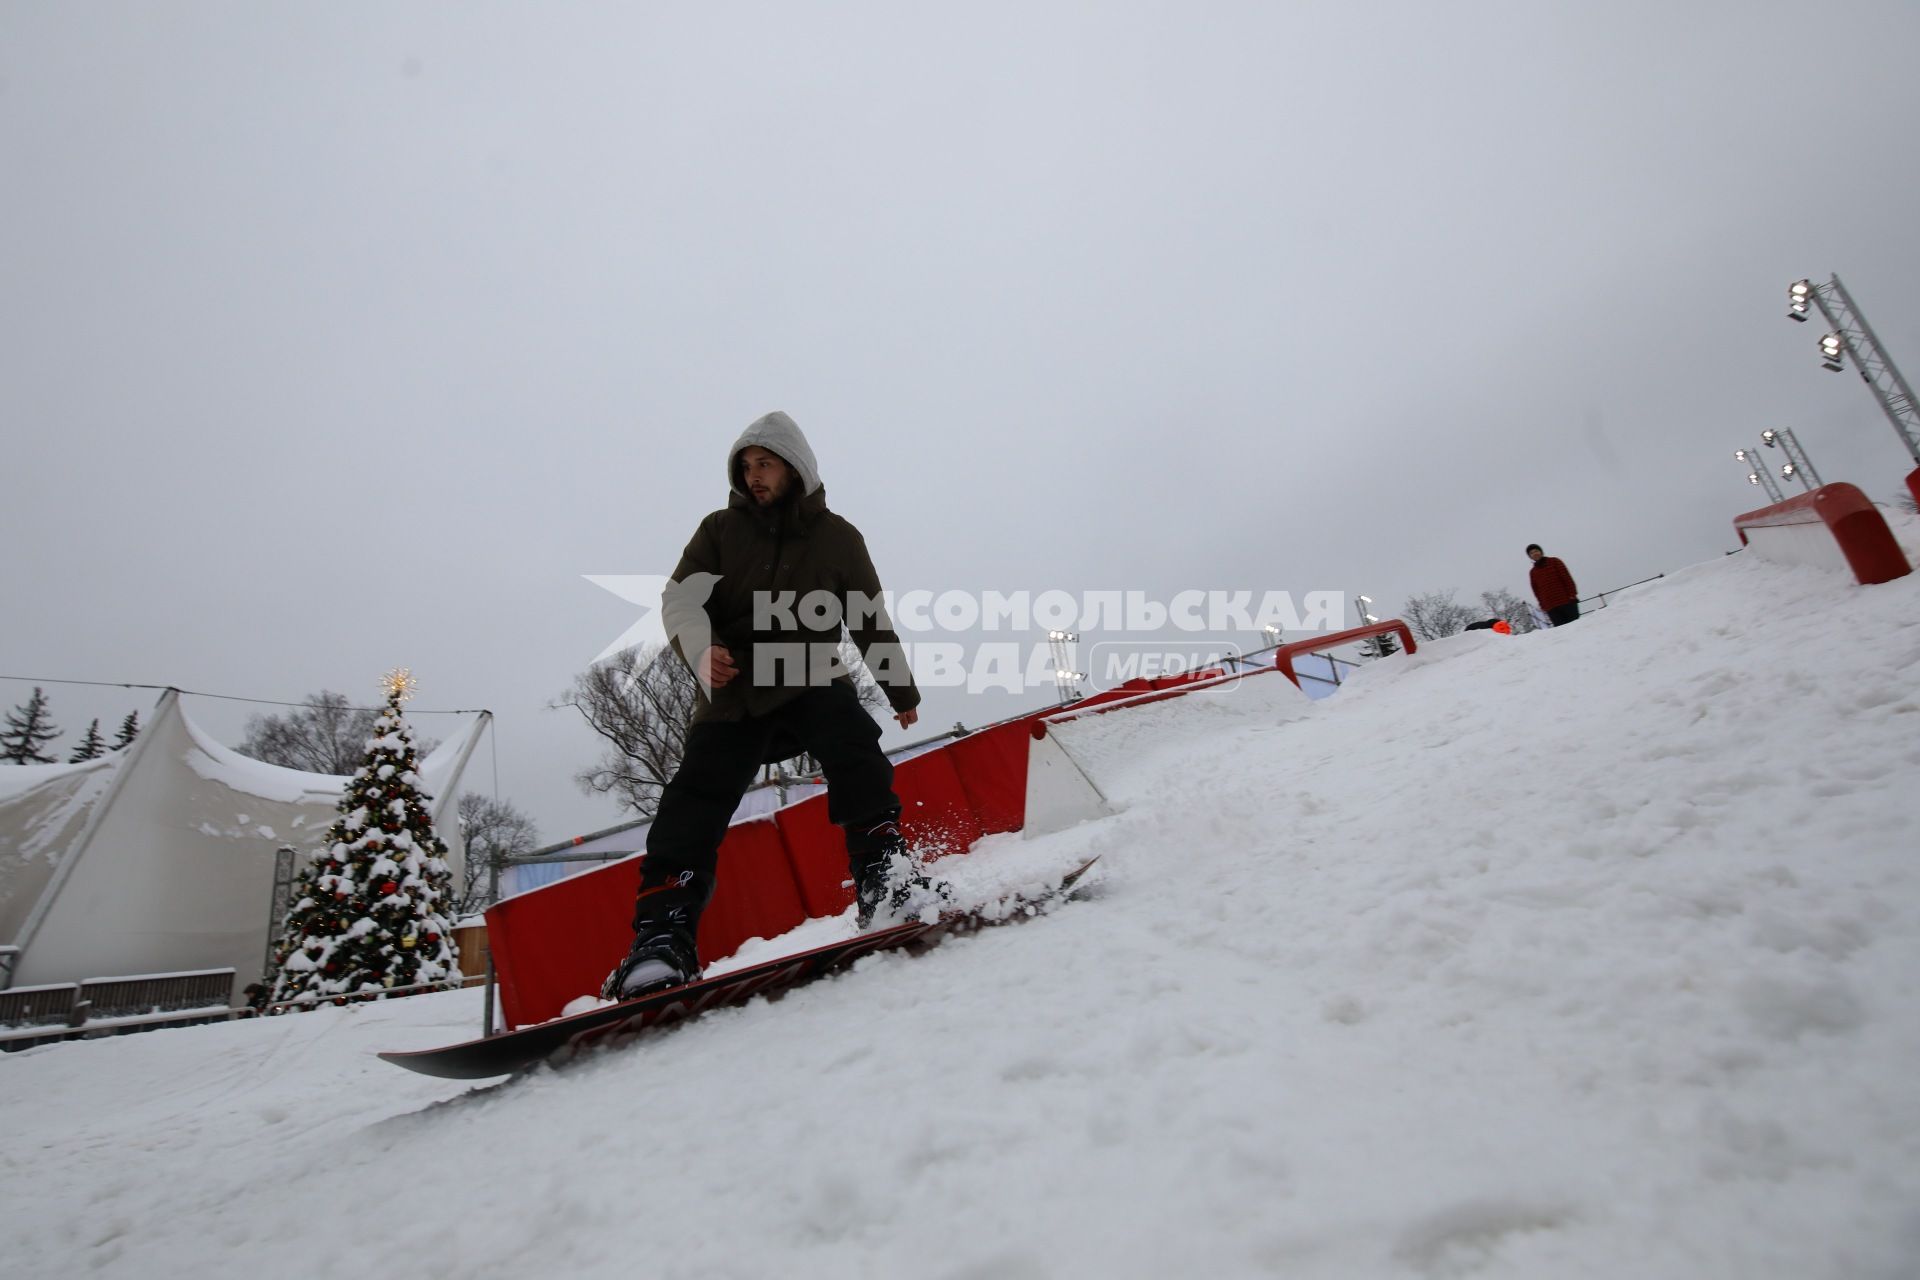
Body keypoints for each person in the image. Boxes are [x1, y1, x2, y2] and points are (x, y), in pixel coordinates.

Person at [603, 411, 928, 1001]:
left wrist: (900, 690)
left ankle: (887, 881)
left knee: (854, 746)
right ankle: (662, 937)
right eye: (746, 467)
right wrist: (702, 652)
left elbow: (867, 620)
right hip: (736, 688)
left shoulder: (838, 538)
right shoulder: (720, 530)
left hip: (810, 674)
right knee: (695, 794)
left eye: (765, 464)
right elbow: (680, 599)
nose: (754, 477)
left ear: (794, 467)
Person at [1527, 543, 1580, 626]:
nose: (1534, 554)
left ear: (1541, 552)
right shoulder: (1532, 573)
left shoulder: (1555, 561)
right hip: (1551, 607)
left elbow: (1567, 578)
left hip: (1567, 601)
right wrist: (1542, 605)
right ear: (1530, 556)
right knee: (1562, 631)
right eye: (1531, 553)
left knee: (1576, 625)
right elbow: (1536, 591)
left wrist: (1572, 594)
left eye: (1536, 551)